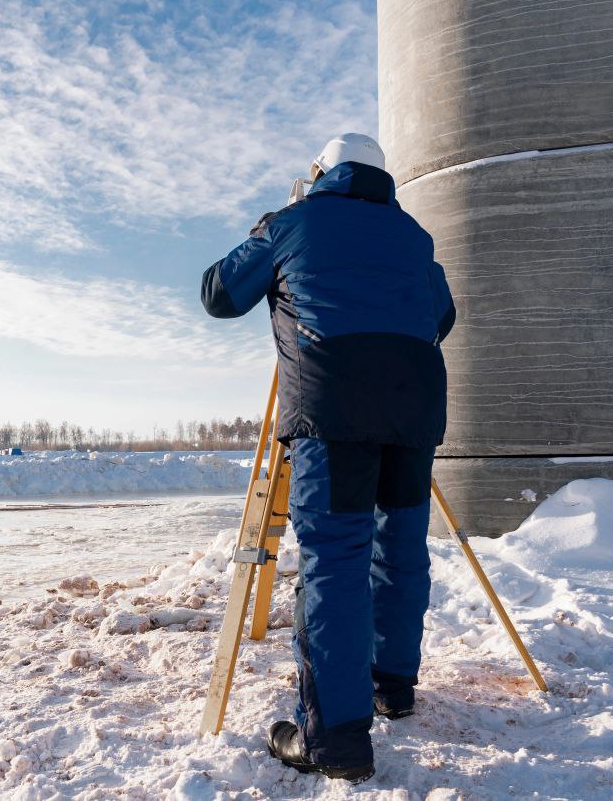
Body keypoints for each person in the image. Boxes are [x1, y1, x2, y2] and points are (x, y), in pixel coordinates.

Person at [200, 133, 455, 781]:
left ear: (322, 173)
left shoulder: (294, 222)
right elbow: (442, 313)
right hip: (414, 407)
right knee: (399, 546)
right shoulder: (414, 236)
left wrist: (274, 237)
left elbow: (219, 293)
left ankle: (334, 739)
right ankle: (393, 687)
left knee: (335, 561)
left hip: (335, 406)